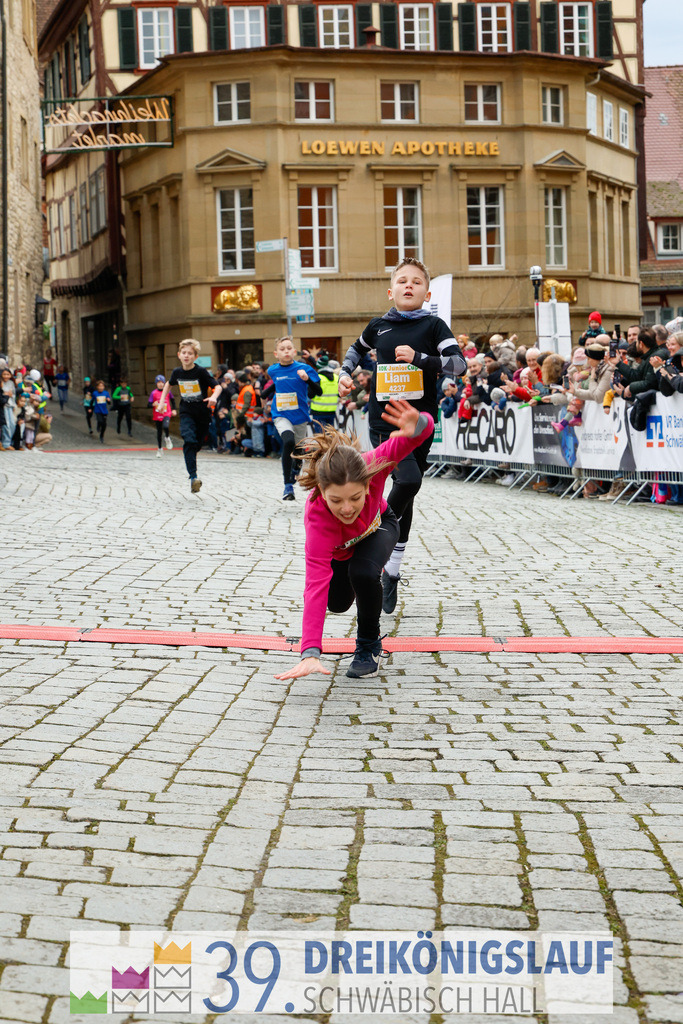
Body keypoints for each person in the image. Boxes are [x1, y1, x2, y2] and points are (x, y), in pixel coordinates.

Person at [337, 258, 466, 613]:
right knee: (407, 480)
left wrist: (421, 358)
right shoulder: (379, 325)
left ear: (426, 292)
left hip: (419, 423)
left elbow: (459, 365)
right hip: (382, 421)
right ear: (390, 290)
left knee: (407, 491)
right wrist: (346, 373)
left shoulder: (435, 325)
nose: (409, 286)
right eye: (402, 281)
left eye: (416, 282)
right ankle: (370, 541)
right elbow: (355, 351)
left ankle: (391, 570)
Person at [274, 399, 434, 682]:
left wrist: (419, 422)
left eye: (355, 498)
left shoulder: (376, 463)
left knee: (363, 572)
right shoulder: (318, 519)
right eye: (336, 500)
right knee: (336, 603)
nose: (347, 508)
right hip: (341, 550)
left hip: (380, 526)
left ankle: (368, 646)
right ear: (322, 492)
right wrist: (310, 651)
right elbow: (314, 585)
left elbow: (421, 431)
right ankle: (364, 579)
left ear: (367, 483)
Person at [155, 339, 219, 493]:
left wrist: (214, 397)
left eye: (190, 353)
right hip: (186, 411)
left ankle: (192, 470)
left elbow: (217, 386)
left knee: (196, 444)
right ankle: (193, 477)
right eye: (184, 353)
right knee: (188, 439)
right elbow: (168, 385)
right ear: (179, 355)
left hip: (202, 413)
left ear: (195, 357)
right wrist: (162, 402)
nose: (186, 356)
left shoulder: (201, 372)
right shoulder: (177, 372)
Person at [267, 336, 321, 500]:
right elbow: (276, 387)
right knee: (288, 441)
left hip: (300, 416)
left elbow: (317, 392)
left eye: (289, 348)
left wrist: (307, 380)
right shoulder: (272, 370)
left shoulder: (304, 369)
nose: (286, 351)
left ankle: (295, 472)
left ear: (294, 351)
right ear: (276, 354)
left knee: (298, 450)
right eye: (282, 349)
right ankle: (287, 486)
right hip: (281, 414)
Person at [149, 374, 176, 457]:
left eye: (162, 382)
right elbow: (149, 404)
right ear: (156, 383)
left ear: (164, 383)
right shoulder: (153, 393)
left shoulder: (168, 391)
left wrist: (174, 409)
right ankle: (160, 449)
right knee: (159, 432)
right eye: (158, 382)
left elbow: (172, 400)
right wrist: (153, 404)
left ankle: (167, 438)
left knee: (166, 426)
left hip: (166, 412)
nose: (160, 384)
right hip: (157, 414)